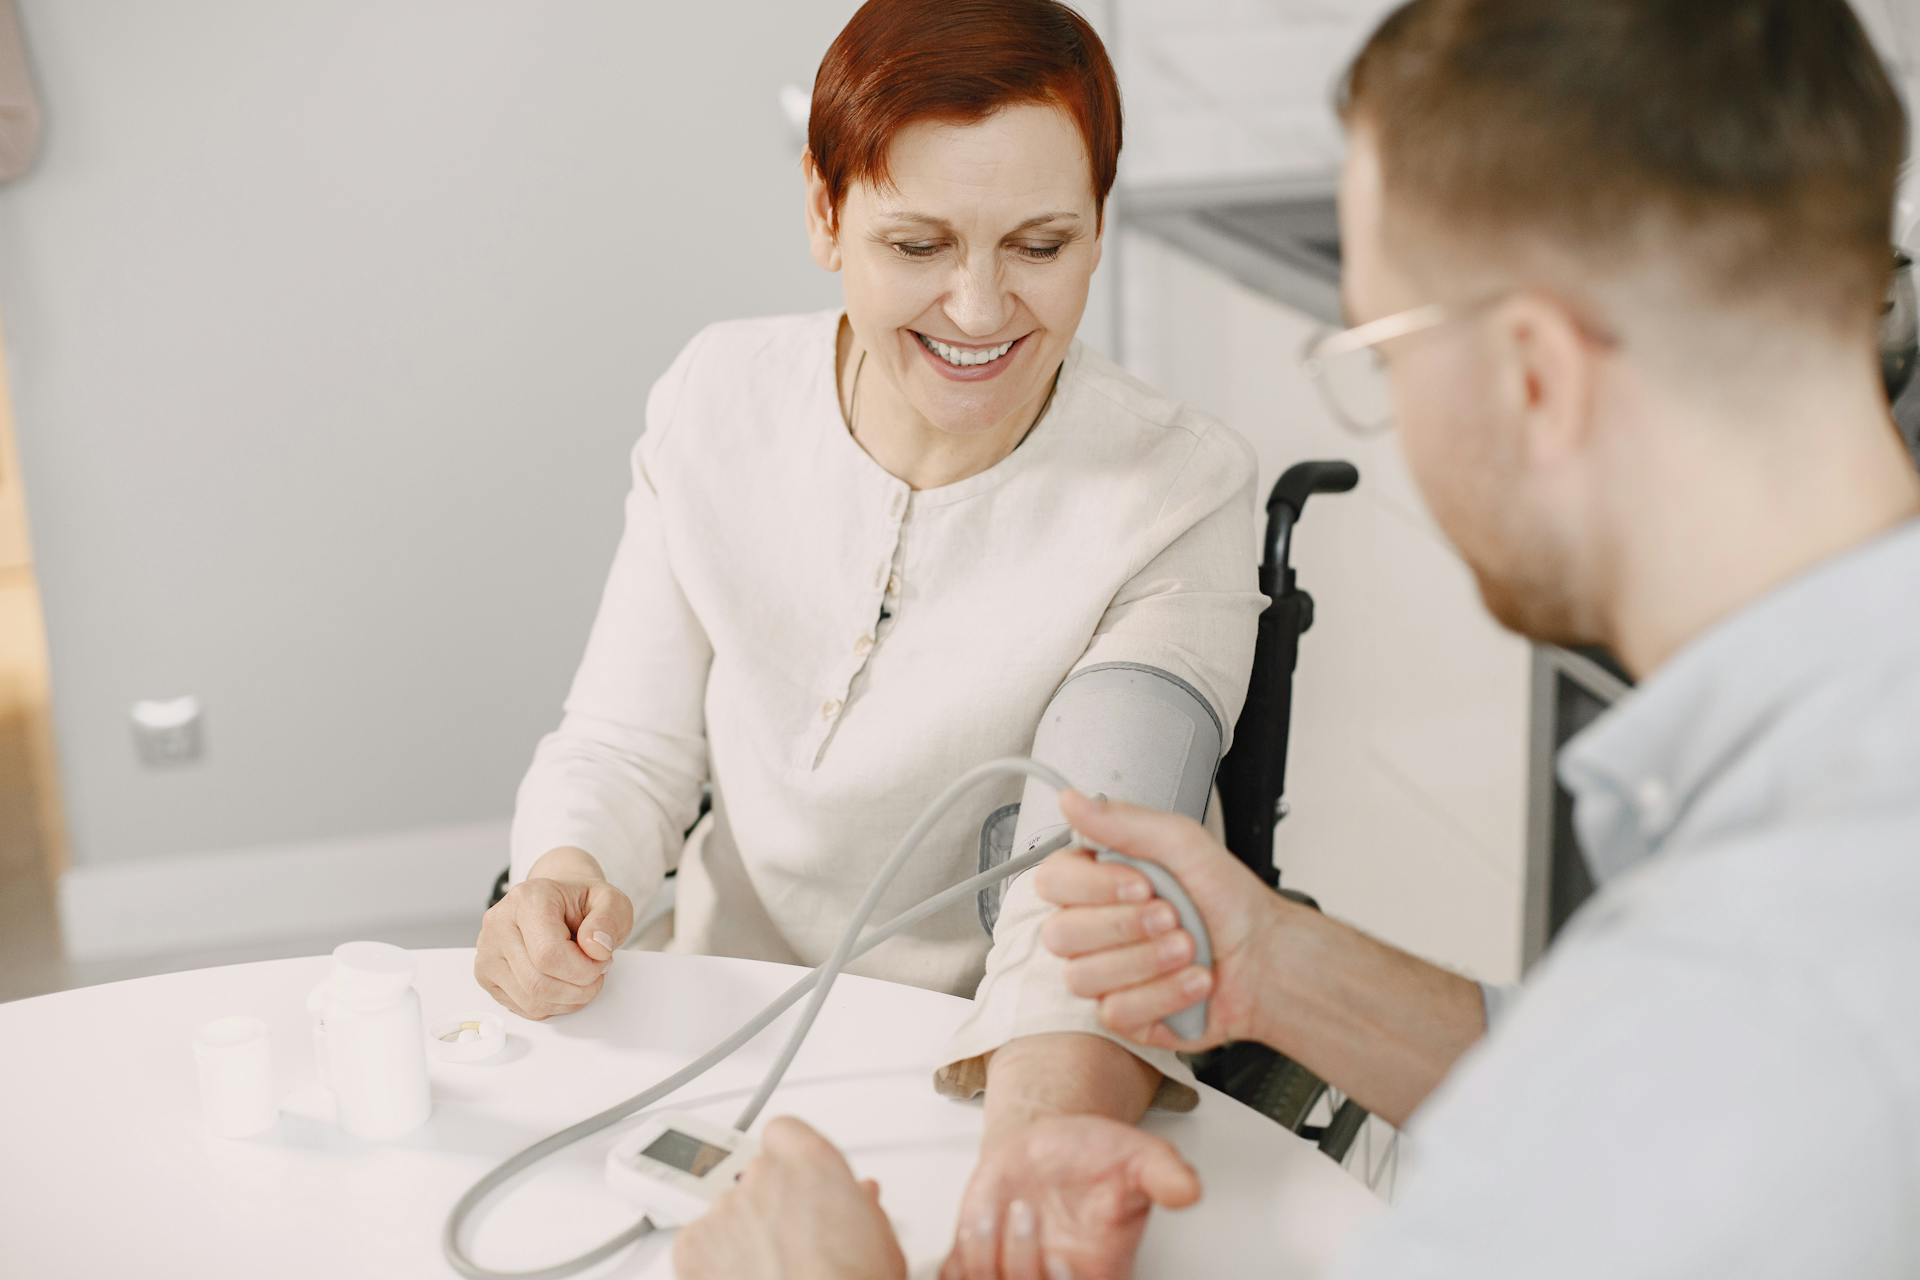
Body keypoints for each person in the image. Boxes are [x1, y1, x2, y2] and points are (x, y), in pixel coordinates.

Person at [671, 1, 1920, 1277]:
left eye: (1377, 345)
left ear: (1533, 376)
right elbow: (1653, 1078)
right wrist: (1283, 966)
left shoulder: (1783, 997)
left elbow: (1694, 1099)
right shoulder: (1832, 793)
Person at [477, 1, 1266, 1273]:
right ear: (823, 212)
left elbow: (1099, 865)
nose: (979, 306)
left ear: (1101, 225)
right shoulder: (715, 400)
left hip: (982, 1080)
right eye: (917, 241)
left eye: (1042, 243)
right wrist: (562, 868)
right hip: (715, 1031)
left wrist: (1033, 1153)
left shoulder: (1177, 492)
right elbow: (625, 743)